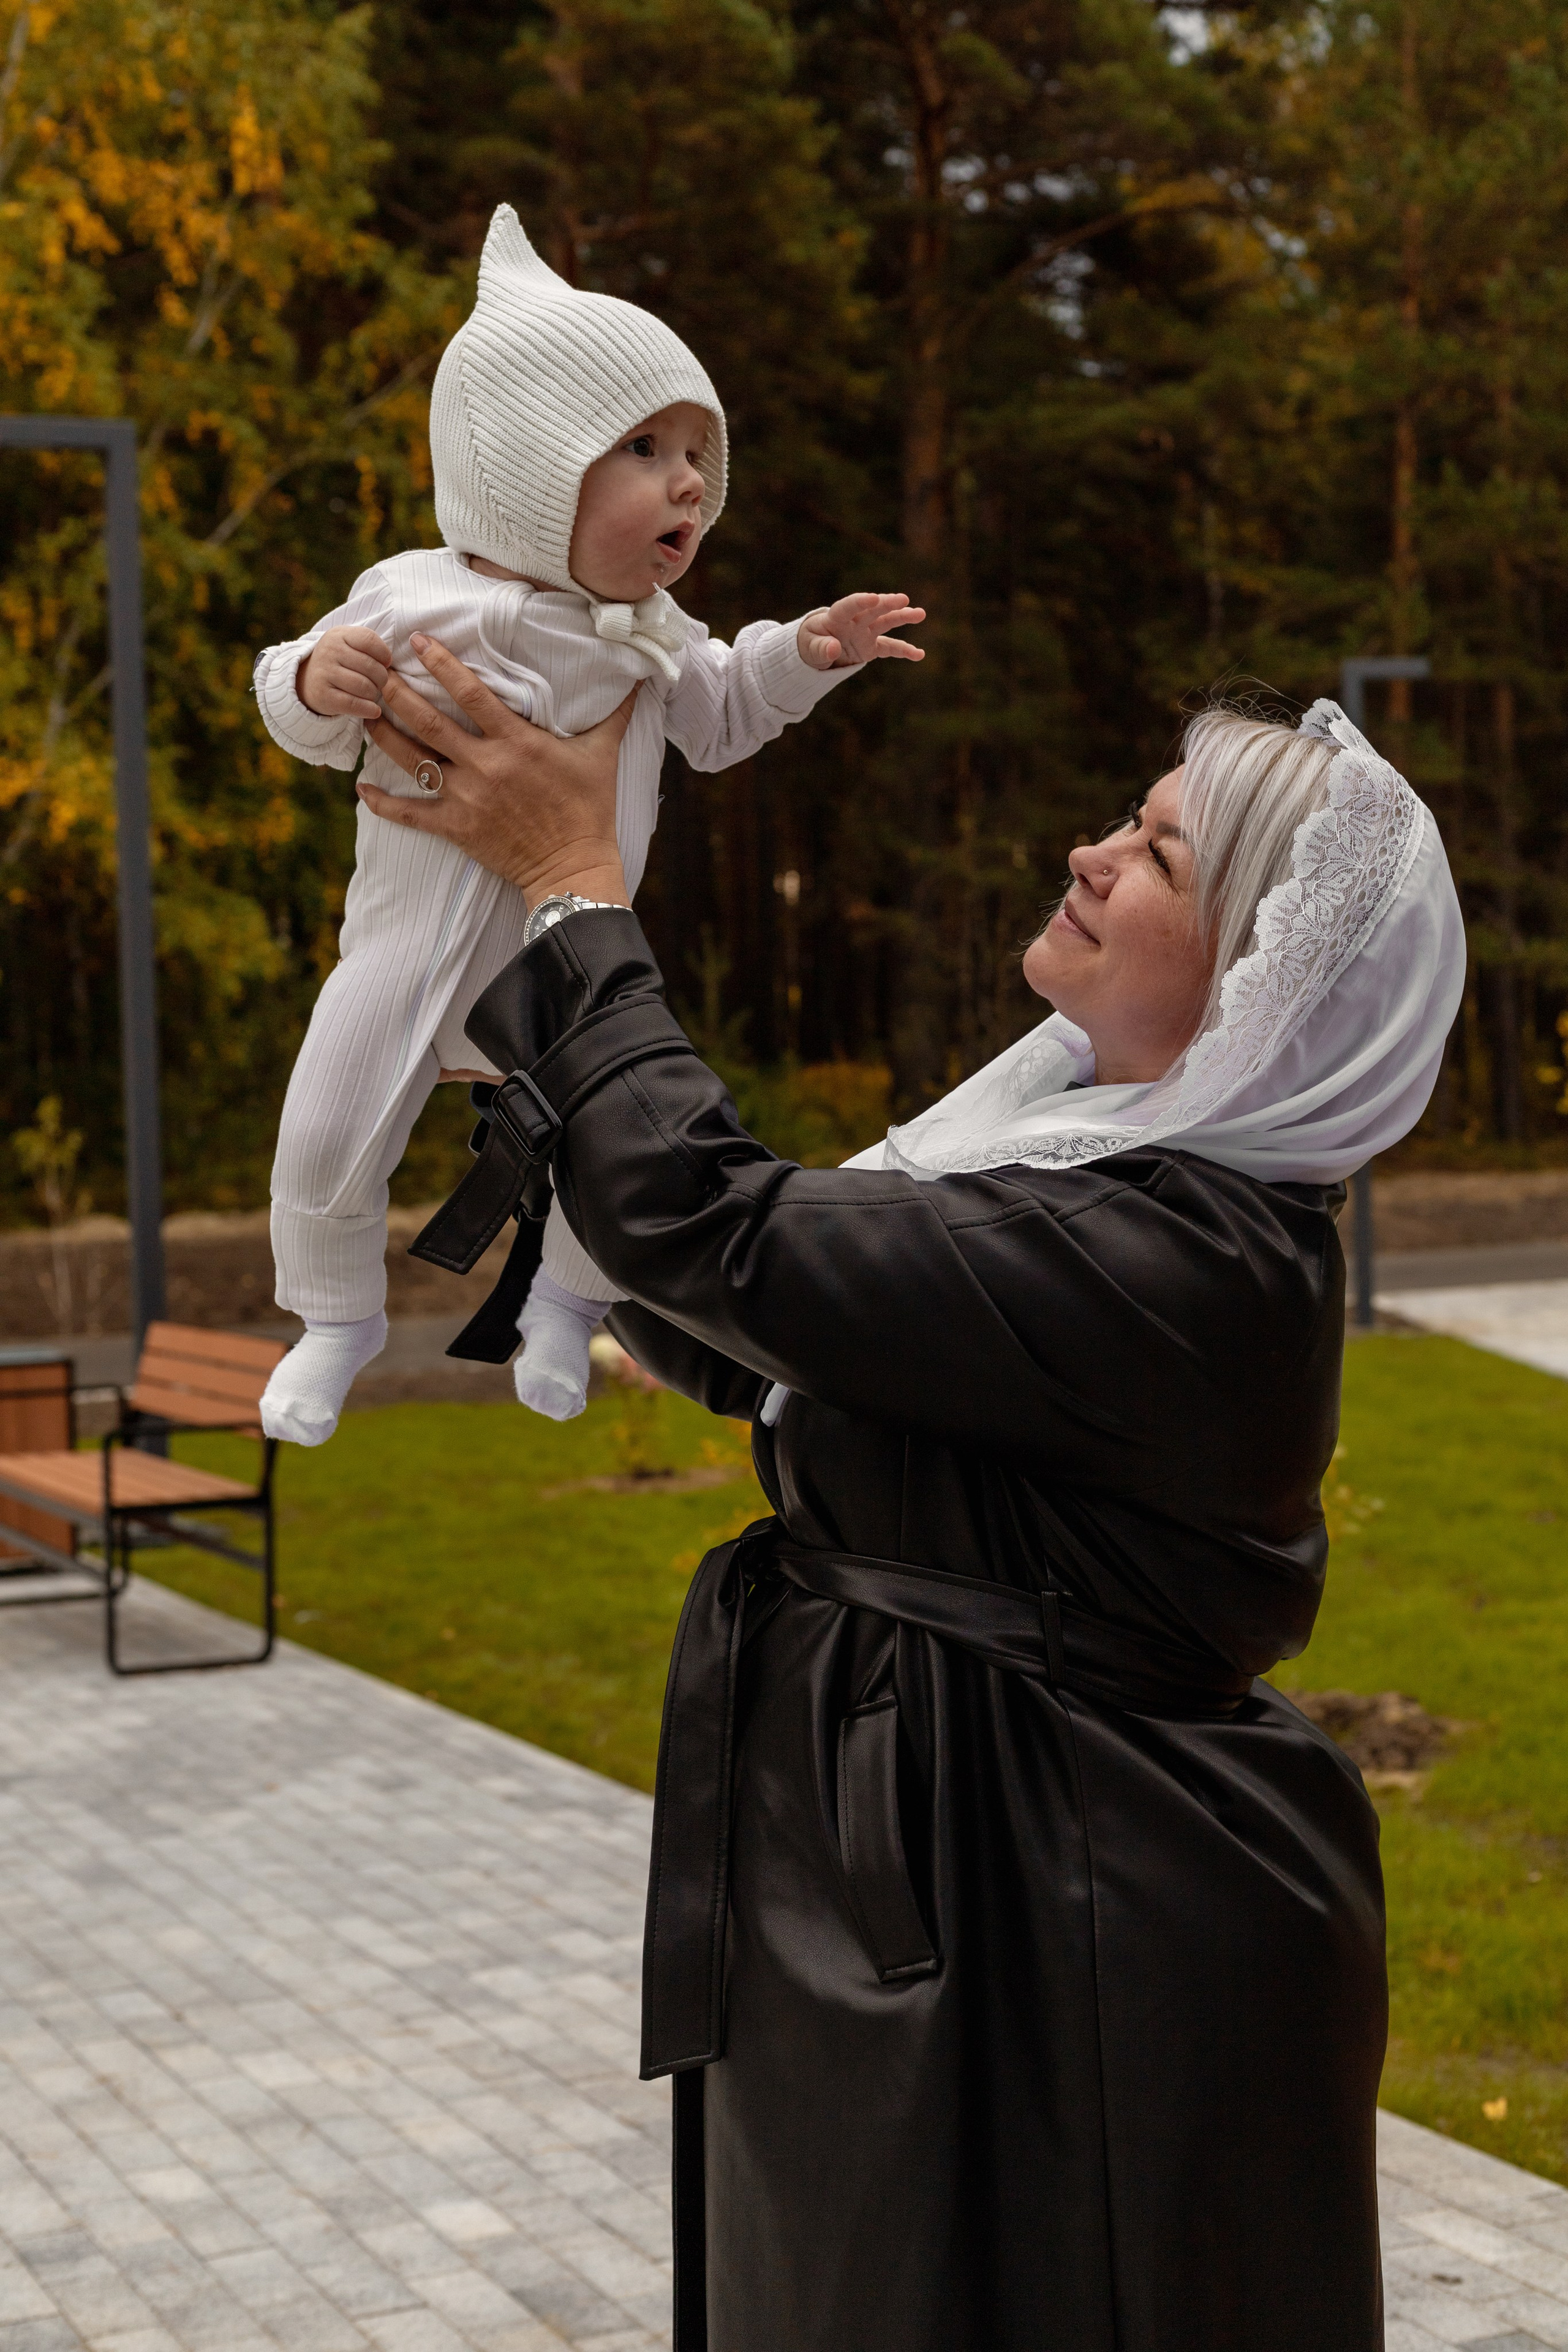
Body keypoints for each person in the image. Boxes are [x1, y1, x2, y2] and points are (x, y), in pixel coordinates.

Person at [354, 641, 1465, 2351]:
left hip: (1065, 1910)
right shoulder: (1079, 1173)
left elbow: (721, 1236)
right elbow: (749, 1328)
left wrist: (577, 891)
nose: (1093, 852)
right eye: (1127, 820)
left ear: (1262, 973)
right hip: (960, 1849)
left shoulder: (1181, 1251)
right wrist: (516, 1011)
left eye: (1160, 853)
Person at [251, 203, 924, 1446]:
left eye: (697, 453)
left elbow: (725, 714)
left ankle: (564, 1306)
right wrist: (310, 680)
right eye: (646, 448)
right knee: (325, 1131)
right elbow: (301, 709)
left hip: (569, 955)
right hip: (399, 951)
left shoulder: (654, 636)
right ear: (525, 469)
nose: (689, 481)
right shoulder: (407, 595)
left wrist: (806, 653)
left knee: (605, 1150)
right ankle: (333, 1320)